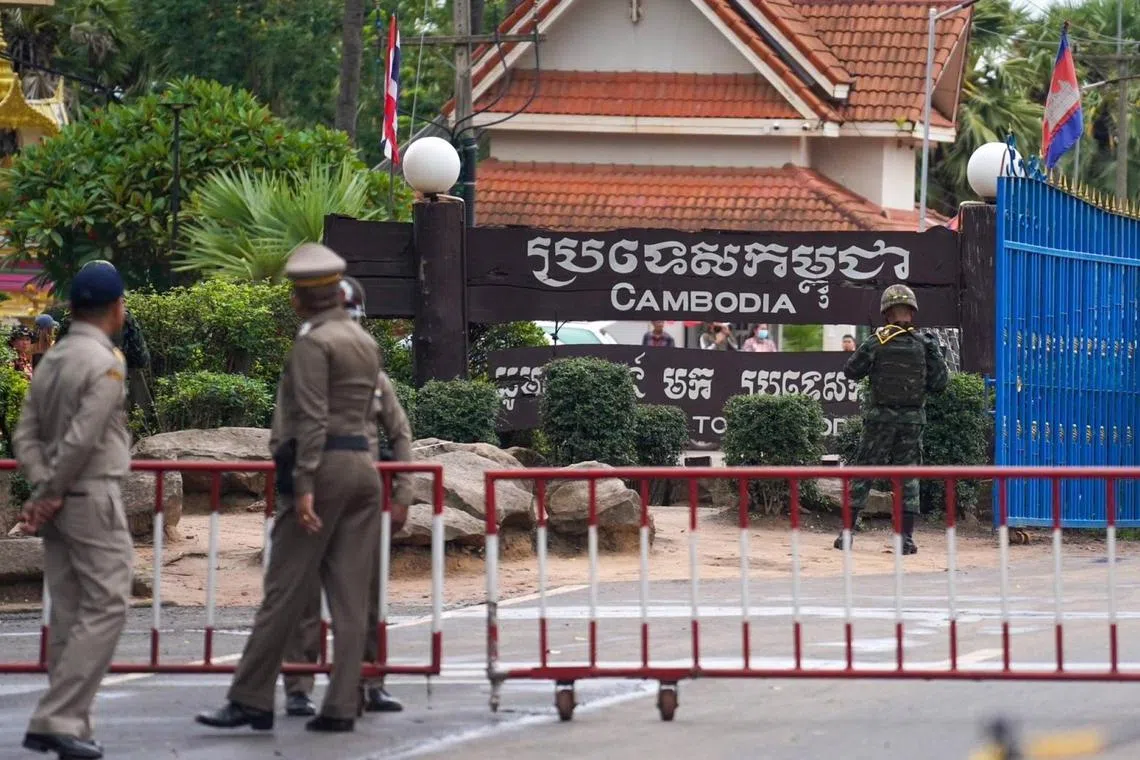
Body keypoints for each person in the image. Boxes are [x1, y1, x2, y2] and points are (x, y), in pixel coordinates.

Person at [196, 243, 384, 734]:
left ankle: (251, 698)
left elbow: (312, 419)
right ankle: (342, 705)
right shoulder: (364, 342)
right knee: (349, 596)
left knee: (283, 590)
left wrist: (301, 484)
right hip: (364, 468)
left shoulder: (312, 344)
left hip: (322, 470)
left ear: (304, 296)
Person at [14, 263, 133, 760]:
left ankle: (72, 727)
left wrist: (43, 485)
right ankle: (57, 718)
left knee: (66, 609)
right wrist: (54, 490)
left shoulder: (56, 356)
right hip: (90, 494)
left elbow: (26, 433)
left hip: (61, 495)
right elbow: (84, 435)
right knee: (108, 602)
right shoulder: (107, 360)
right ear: (115, 307)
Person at [280, 275, 413, 717]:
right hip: (315, 492)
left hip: (360, 498)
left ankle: (369, 680)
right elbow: (288, 433)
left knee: (366, 593)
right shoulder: (307, 370)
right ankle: (299, 684)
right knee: (303, 591)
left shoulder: (374, 377)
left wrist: (403, 494)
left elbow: (400, 435)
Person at [833, 284, 948, 555]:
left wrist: (872, 346)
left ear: (886, 313)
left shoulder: (877, 341)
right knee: (908, 479)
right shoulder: (925, 343)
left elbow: (851, 371)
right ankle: (905, 540)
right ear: (912, 311)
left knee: (863, 474)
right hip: (912, 422)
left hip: (878, 420)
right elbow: (941, 384)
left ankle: (847, 535)